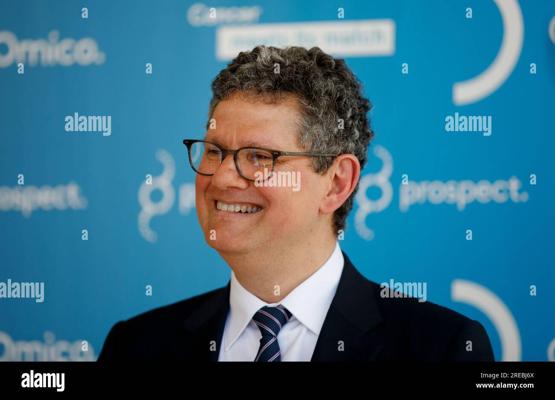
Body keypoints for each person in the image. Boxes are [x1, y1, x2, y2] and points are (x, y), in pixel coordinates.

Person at [98, 45, 494, 362]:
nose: (221, 178)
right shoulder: (136, 346)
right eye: (214, 151)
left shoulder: (440, 347)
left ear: (336, 183)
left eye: (259, 156)